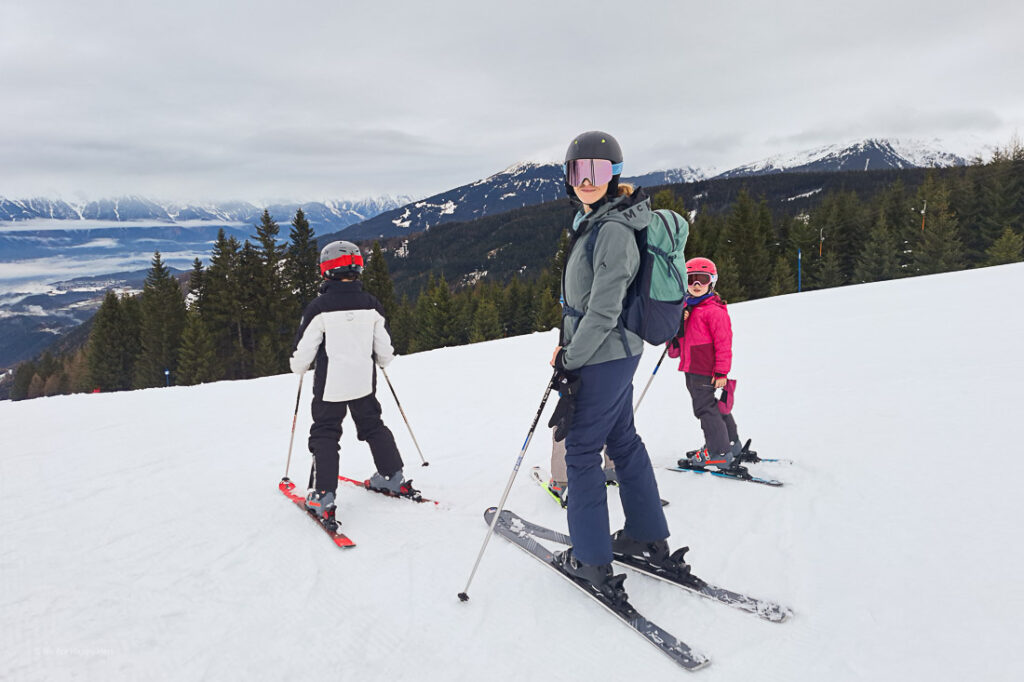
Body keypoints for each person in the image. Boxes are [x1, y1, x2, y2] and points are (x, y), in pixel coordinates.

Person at [548, 130, 686, 600]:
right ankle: (647, 535)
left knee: (582, 451)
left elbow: (603, 311)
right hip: (615, 353)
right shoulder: (597, 220)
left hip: (604, 354)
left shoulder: (611, 230)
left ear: (615, 176)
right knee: (622, 439)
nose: (587, 180)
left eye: (598, 172)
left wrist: (571, 357)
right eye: (578, 171)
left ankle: (589, 558)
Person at [289, 240, 413, 526]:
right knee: (373, 425)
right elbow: (384, 347)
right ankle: (392, 476)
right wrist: (383, 360)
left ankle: (323, 496)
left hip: (331, 385)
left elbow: (304, 349)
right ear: (358, 268)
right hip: (364, 383)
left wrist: (298, 367)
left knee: (325, 433)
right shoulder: (371, 304)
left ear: (326, 271)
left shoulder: (319, 307)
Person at [668, 257, 745, 473]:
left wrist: (722, 371)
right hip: (691, 367)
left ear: (712, 282)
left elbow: (724, 344)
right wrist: (677, 324)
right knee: (714, 407)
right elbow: (676, 345)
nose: (696, 285)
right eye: (691, 280)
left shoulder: (713, 311)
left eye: (702, 279)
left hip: (705, 369)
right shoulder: (686, 308)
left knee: (705, 409)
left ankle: (719, 452)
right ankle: (730, 444)